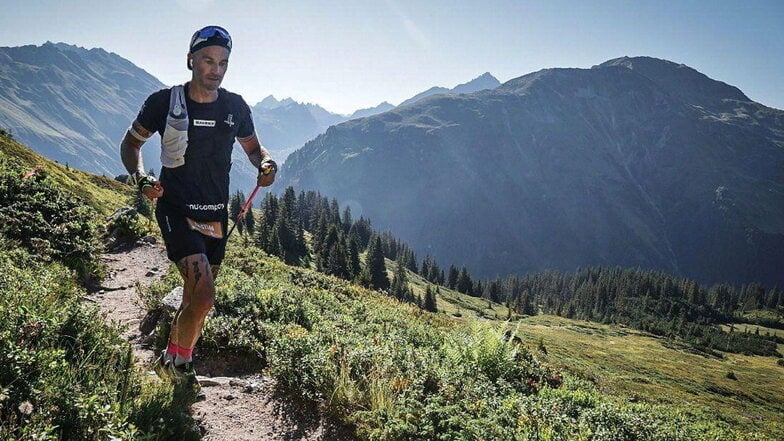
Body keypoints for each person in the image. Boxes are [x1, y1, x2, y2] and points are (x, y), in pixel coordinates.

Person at [120, 25, 276, 399]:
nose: (216, 69)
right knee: (204, 296)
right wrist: (140, 179)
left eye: (223, 62)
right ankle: (183, 367)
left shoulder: (235, 107)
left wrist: (266, 163)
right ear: (191, 60)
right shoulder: (163, 102)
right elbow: (131, 144)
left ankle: (170, 360)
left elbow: (254, 149)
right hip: (175, 208)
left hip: (215, 215)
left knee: (195, 299)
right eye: (208, 60)